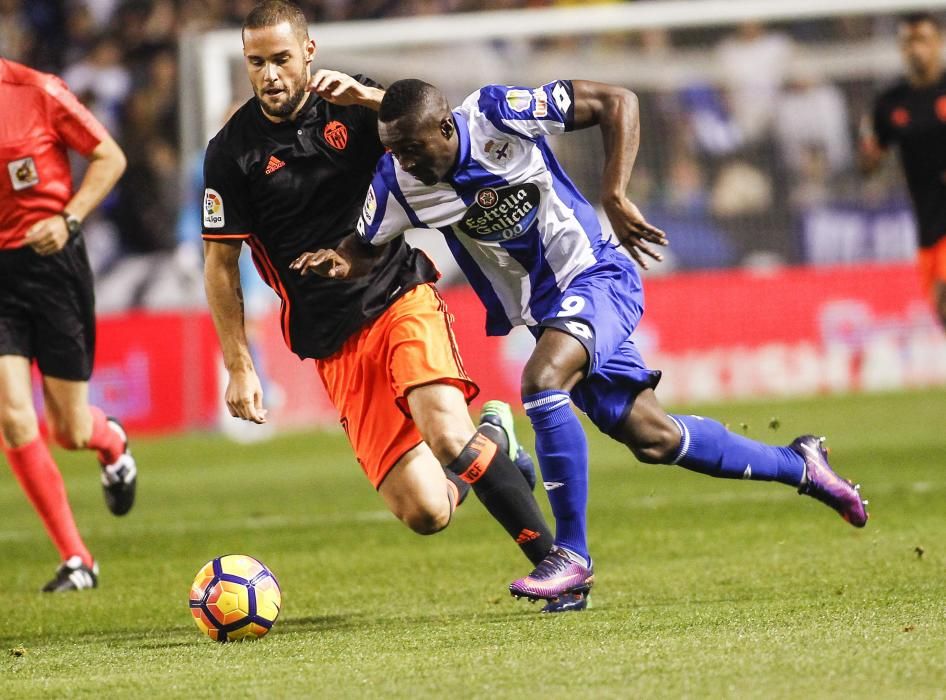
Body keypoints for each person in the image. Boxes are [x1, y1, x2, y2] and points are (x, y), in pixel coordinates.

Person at [295, 77, 870, 613]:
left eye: (411, 148)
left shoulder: (499, 114)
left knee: (542, 384)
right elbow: (364, 245)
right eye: (393, 150)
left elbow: (616, 101)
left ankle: (569, 556)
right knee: (653, 437)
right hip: (548, 315)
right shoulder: (399, 184)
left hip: (597, 278)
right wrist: (338, 261)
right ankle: (800, 464)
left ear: (445, 127)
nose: (403, 160)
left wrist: (614, 194)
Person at [202, 0, 557, 603]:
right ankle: (496, 436)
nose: (270, 75)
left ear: (308, 53)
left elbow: (437, 123)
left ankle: (558, 566)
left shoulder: (355, 104)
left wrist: (370, 101)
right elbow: (219, 264)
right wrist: (240, 364)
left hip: (399, 295)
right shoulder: (230, 151)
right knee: (426, 512)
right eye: (256, 62)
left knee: (446, 433)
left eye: (282, 59)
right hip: (331, 338)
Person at [0, 56, 137, 592]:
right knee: (13, 416)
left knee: (70, 430)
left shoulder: (39, 91)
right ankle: (77, 559)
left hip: (52, 264)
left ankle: (110, 443)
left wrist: (69, 218)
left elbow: (109, 156)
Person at [860, 12, 946, 330]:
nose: (915, 49)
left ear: (938, 43)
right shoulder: (890, 103)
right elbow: (869, 165)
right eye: (908, 42)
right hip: (928, 223)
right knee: (941, 310)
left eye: (922, 39)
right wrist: (868, 151)